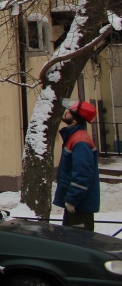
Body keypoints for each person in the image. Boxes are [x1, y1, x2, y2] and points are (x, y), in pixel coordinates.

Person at [54, 98, 100, 230]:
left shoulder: (79, 140)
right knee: (70, 242)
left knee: (80, 242)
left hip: (79, 206)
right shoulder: (75, 137)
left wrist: (72, 199)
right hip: (76, 205)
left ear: (75, 119)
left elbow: (83, 174)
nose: (66, 113)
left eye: (70, 112)